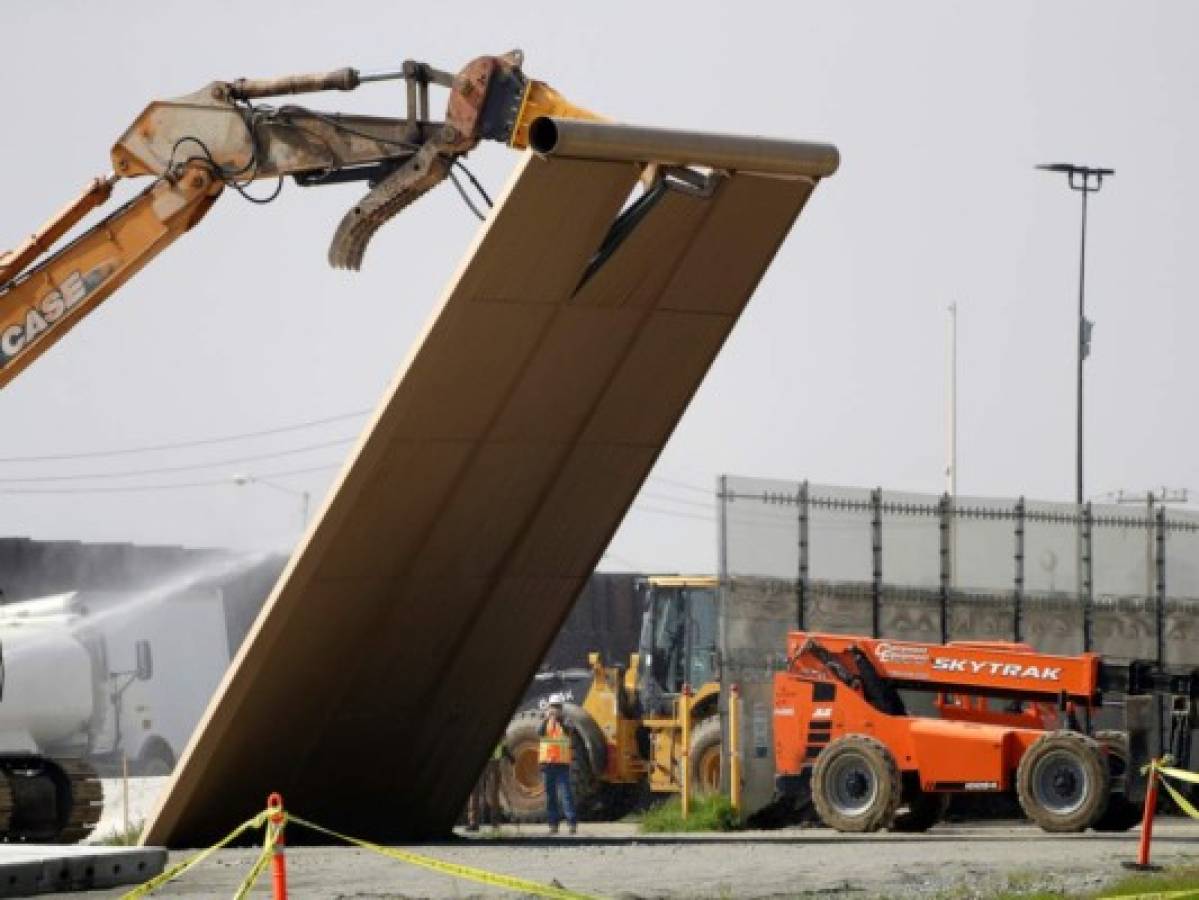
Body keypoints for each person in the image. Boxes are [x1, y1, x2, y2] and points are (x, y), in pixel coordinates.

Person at [538, 694, 578, 835]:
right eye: (553, 706)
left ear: (561, 708)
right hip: (547, 765)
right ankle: (553, 824)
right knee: (551, 796)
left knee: (566, 795)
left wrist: (559, 721)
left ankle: (571, 823)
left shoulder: (567, 722)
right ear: (549, 707)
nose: (555, 709)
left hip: (562, 765)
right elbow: (539, 733)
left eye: (557, 707)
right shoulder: (545, 722)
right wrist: (546, 719)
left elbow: (569, 731)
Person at [466, 739, 512, 832]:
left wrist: (508, 755)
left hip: (492, 762)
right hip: (492, 762)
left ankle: (476, 823)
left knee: (482, 793)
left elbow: (502, 744)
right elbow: (503, 744)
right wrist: (508, 755)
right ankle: (492, 823)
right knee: (487, 794)